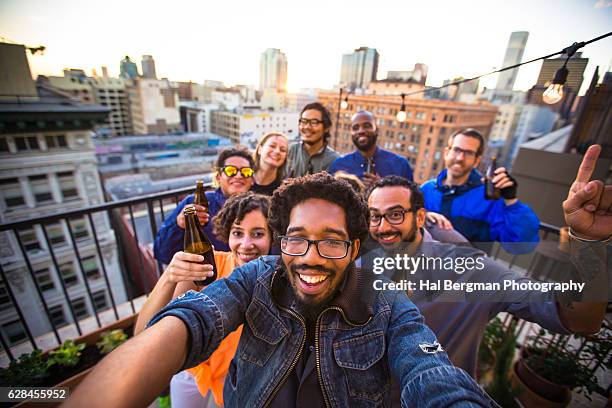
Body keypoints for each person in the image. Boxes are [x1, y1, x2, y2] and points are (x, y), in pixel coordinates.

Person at [66, 173, 494, 408]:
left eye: (331, 239)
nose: (311, 256)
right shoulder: (257, 278)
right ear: (282, 241)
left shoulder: (385, 302)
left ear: (354, 247)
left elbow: (429, 366)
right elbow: (189, 322)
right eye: (296, 238)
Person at [364, 145, 608, 378]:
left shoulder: (469, 269)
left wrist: (589, 241)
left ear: (419, 217)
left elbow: (579, 318)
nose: (383, 226)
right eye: (375, 216)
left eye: (396, 214)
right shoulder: (362, 267)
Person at [137, 192, 272, 408]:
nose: (246, 244)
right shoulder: (209, 266)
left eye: (257, 234)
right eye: (237, 233)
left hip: (237, 376)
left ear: (273, 236)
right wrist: (169, 277)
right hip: (192, 369)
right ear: (227, 234)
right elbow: (144, 334)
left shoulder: (276, 280)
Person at [420, 128, 539, 254]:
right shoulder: (426, 189)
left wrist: (511, 201)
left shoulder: (489, 198)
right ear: (446, 153)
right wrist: (425, 217)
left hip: (467, 271)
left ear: (477, 161)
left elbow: (521, 246)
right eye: (457, 150)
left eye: (469, 153)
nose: (460, 158)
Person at [154, 147, 255, 262]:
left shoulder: (259, 209)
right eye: (230, 170)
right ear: (218, 177)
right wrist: (179, 225)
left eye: (246, 171)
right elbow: (161, 253)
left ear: (252, 179)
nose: (238, 175)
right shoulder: (193, 204)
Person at [328, 110, 413, 188]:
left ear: (377, 130)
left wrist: (382, 187)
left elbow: (412, 200)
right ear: (351, 133)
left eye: (367, 126)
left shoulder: (400, 165)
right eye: (355, 128)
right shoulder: (338, 165)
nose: (361, 131)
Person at [287, 102, 339, 177]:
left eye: (314, 122)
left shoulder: (334, 160)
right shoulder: (290, 151)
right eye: (304, 121)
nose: (307, 127)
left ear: (326, 128)